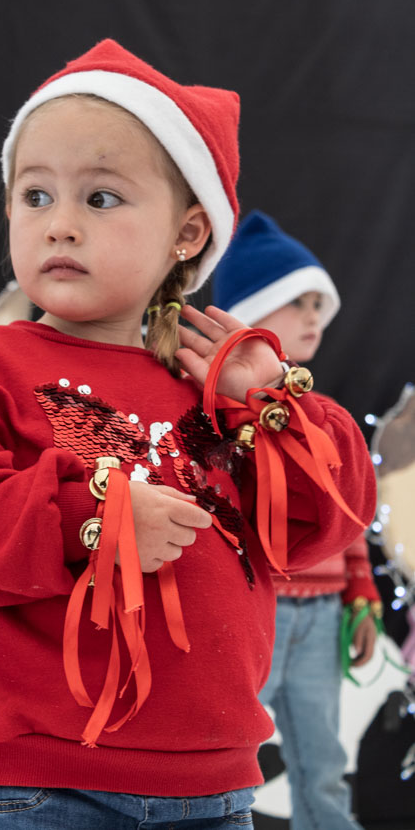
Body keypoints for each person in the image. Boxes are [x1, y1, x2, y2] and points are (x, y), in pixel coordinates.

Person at [0, 40, 376, 830]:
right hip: (38, 782)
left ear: (186, 235)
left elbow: (328, 522)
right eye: (35, 196)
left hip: (214, 788)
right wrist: (96, 520)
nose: (61, 227)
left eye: (101, 199)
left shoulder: (214, 382)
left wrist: (270, 409)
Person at [213, 210, 382, 830]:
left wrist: (360, 588)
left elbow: (348, 512)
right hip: (258, 612)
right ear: (252, 309)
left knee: (325, 761)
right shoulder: (217, 413)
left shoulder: (320, 412)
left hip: (323, 612)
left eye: (319, 304)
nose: (314, 316)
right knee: (230, 763)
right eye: (297, 301)